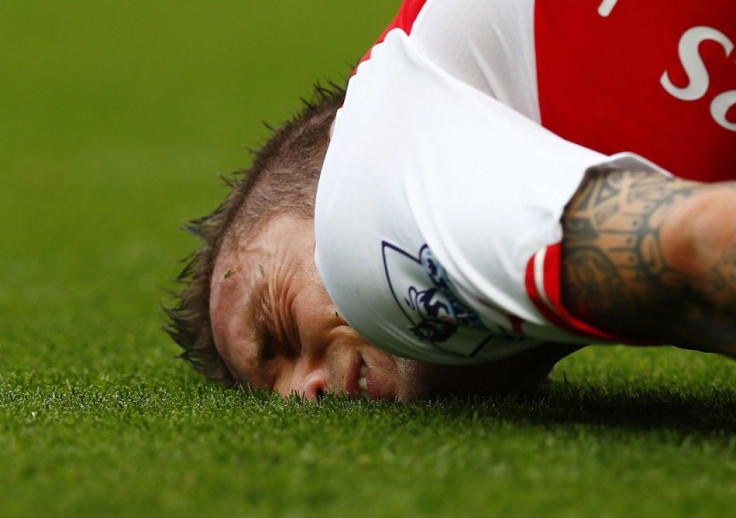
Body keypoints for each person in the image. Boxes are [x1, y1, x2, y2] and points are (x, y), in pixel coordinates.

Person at [166, 0, 736, 401]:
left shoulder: (366, 217)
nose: (304, 392)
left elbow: (702, 247)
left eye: (281, 332)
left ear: (322, 183)